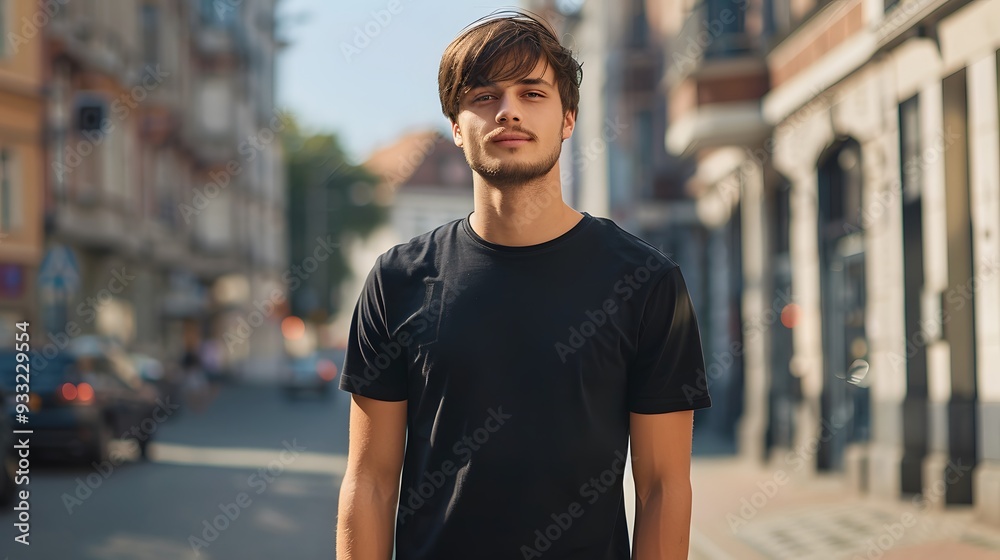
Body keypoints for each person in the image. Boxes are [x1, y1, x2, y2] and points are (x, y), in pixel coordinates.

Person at [336, 10, 712, 560]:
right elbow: (369, 481)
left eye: (532, 93)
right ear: (456, 126)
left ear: (568, 118)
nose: (508, 110)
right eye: (484, 96)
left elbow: (663, 488)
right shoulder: (398, 280)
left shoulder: (646, 282)